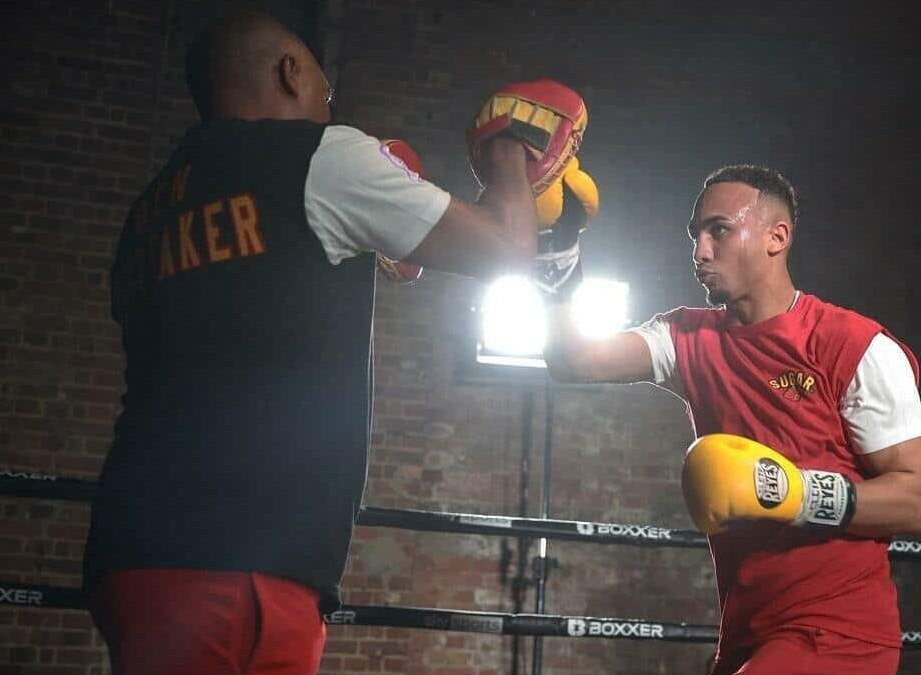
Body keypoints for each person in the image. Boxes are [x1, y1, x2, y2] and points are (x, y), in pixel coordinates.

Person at [81, 10, 584, 675]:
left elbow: (237, 311)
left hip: (131, 550)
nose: (329, 106)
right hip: (240, 556)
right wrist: (511, 145)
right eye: (327, 90)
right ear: (290, 72)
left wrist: (367, 236)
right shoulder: (319, 156)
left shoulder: (148, 211)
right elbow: (506, 249)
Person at [543, 165, 921, 675]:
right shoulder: (689, 339)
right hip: (747, 633)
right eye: (696, 235)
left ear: (777, 237)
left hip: (838, 636)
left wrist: (795, 493)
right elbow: (574, 359)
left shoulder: (855, 347)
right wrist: (558, 250)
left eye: (719, 230)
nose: (700, 251)